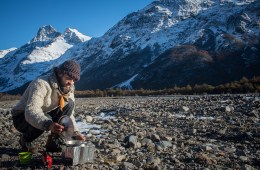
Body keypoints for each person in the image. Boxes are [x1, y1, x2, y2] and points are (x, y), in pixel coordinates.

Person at [11, 60, 86, 152]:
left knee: (69, 104)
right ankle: (26, 139)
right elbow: (31, 111)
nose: (71, 82)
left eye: (74, 80)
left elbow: (69, 116)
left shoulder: (69, 88)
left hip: (46, 114)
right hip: (22, 117)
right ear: (60, 73)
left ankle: (54, 141)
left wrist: (75, 133)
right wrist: (49, 124)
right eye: (69, 78)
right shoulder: (41, 83)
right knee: (46, 117)